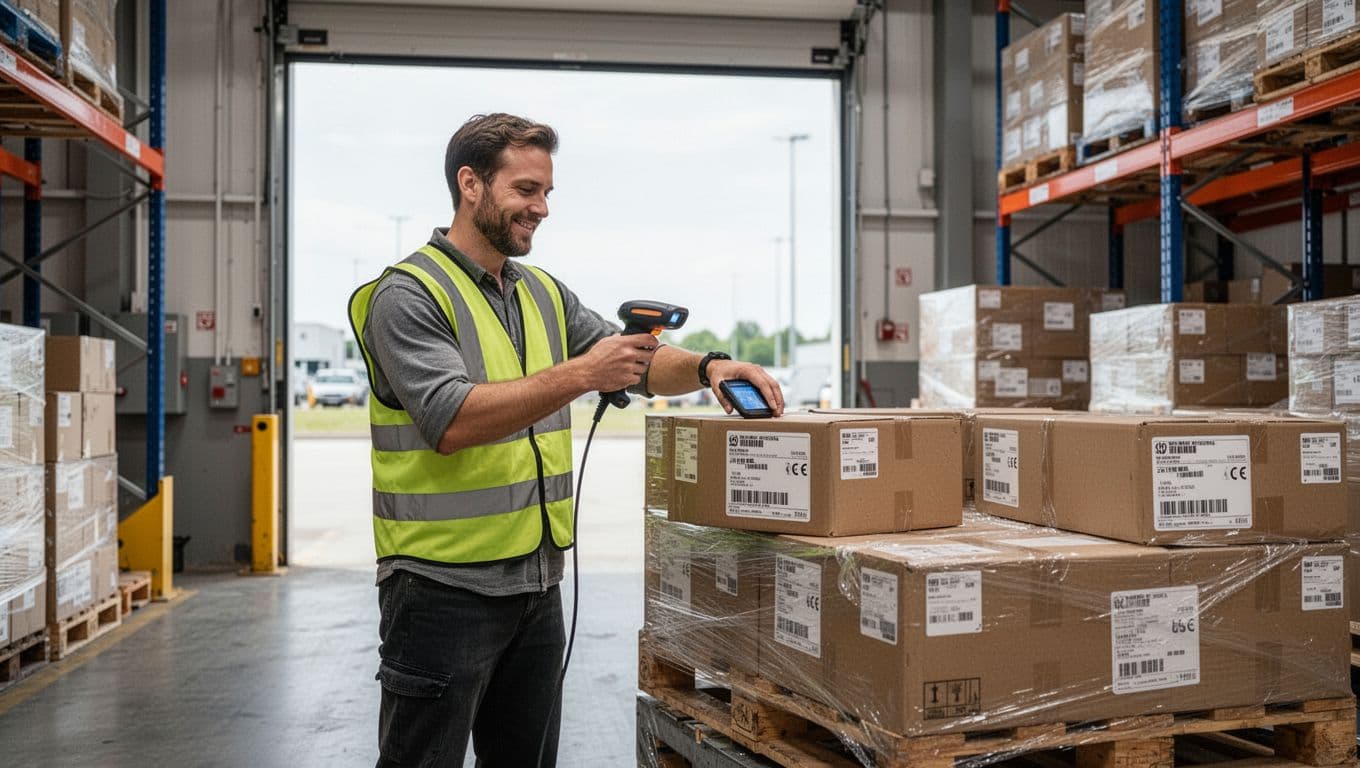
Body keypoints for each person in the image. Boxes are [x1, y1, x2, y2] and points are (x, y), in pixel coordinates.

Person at [348, 112, 784, 767]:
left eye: (547, 192)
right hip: (440, 592)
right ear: (470, 184)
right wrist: (584, 373)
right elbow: (450, 419)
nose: (542, 208)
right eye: (526, 190)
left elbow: (634, 361)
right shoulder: (409, 295)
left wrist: (708, 367)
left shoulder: (543, 294)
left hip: (536, 586)